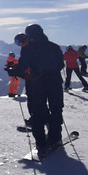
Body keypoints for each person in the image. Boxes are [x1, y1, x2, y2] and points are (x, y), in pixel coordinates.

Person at [9, 24, 65, 155]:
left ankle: (41, 143)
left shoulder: (28, 49)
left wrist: (14, 71)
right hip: (55, 84)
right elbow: (61, 64)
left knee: (38, 113)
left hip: (36, 86)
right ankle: (55, 138)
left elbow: (23, 69)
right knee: (56, 110)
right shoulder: (54, 47)